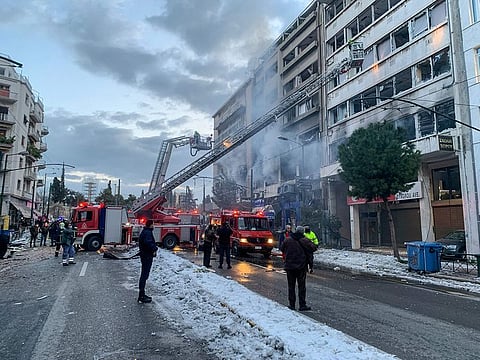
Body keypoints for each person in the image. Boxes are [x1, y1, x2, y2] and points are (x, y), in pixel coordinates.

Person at [280, 225, 317, 311]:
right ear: (302, 232)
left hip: (289, 266)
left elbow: (282, 248)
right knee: (301, 286)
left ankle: (292, 304)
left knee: (291, 286)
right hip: (301, 267)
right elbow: (314, 248)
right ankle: (302, 305)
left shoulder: (288, 239)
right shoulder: (305, 240)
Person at [138, 219, 158, 304]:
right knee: (144, 275)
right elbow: (148, 243)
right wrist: (154, 248)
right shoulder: (147, 233)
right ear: (150, 225)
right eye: (153, 224)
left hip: (145, 255)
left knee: (144, 275)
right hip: (147, 256)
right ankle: (141, 296)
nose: (154, 226)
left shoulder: (146, 231)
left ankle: (142, 294)